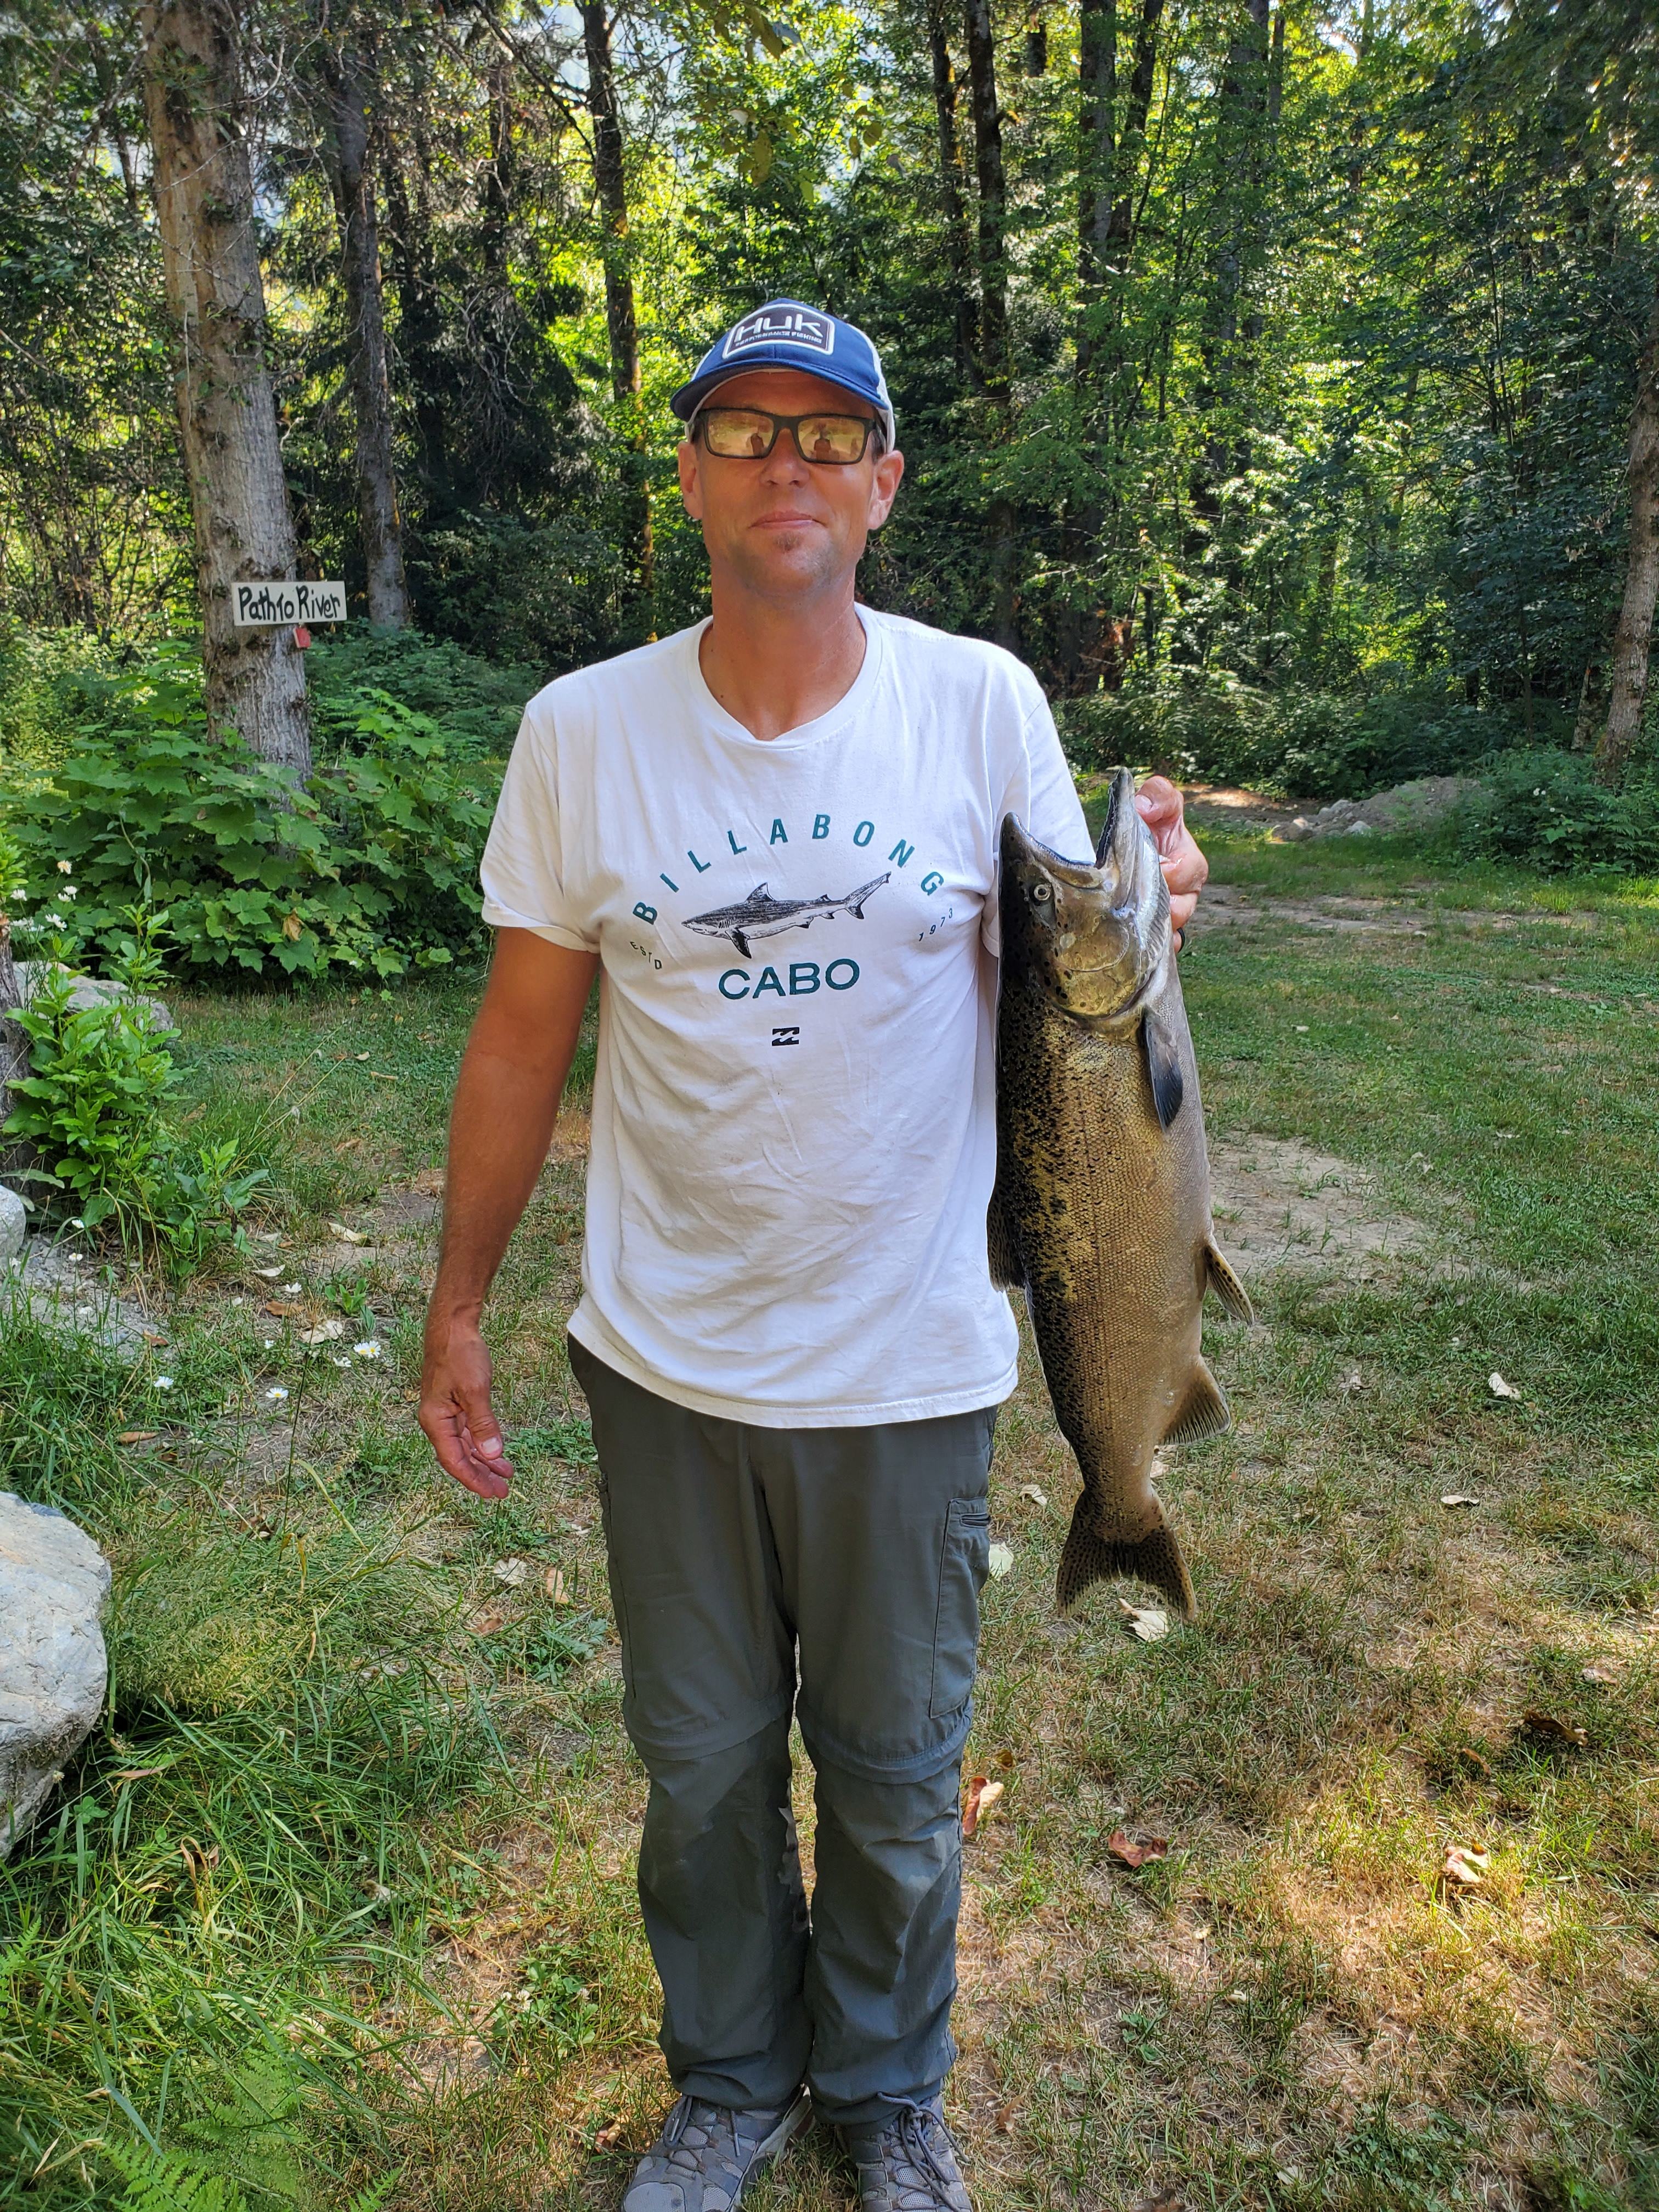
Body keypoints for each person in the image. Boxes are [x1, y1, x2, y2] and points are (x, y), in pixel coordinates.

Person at [417, 300, 1209, 2212]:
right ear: (690, 475)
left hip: (910, 1362)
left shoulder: (976, 700)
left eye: (829, 433)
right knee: (699, 1777)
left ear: (884, 485)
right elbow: (526, 1037)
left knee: (891, 1772)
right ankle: (729, 2079)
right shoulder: (583, 731)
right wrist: (456, 1306)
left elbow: (1076, 988)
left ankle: (882, 2090)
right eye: (747, 429)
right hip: (666, 1362)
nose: (790, 462)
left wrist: (1167, 899)